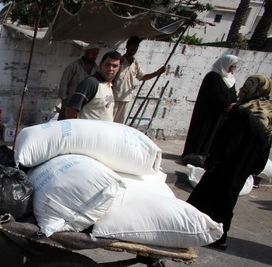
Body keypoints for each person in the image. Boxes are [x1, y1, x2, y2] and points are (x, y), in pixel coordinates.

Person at [187, 75, 272, 250]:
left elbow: (228, 142)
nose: (241, 90)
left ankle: (190, 227)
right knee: (227, 200)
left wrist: (212, 160)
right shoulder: (268, 112)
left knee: (205, 197)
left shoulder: (242, 112)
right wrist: (257, 167)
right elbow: (266, 145)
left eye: (246, 87)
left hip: (227, 163)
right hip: (245, 166)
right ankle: (218, 236)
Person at [182, 54, 239, 163]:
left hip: (220, 114)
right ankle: (192, 155)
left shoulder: (231, 79)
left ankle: (205, 156)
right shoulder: (213, 77)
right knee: (202, 133)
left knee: (214, 134)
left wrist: (233, 104)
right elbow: (214, 94)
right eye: (233, 65)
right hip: (207, 112)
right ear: (226, 64)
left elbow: (233, 95)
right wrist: (226, 105)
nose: (234, 67)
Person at [112, 36, 167, 124]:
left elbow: (142, 77)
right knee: (109, 122)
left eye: (136, 47)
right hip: (113, 97)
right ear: (127, 46)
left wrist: (157, 72)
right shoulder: (119, 61)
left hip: (126, 98)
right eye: (132, 45)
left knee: (119, 124)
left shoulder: (135, 63)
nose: (134, 48)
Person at [65, 50, 122, 122]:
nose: (111, 69)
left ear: (119, 68)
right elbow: (71, 110)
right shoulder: (91, 83)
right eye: (108, 65)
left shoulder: (108, 85)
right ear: (101, 65)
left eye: (114, 66)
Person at [57, 43, 100, 120]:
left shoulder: (97, 69)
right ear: (86, 52)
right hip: (70, 104)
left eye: (96, 53)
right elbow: (63, 84)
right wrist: (64, 105)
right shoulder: (73, 66)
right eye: (92, 53)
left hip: (85, 107)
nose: (94, 56)